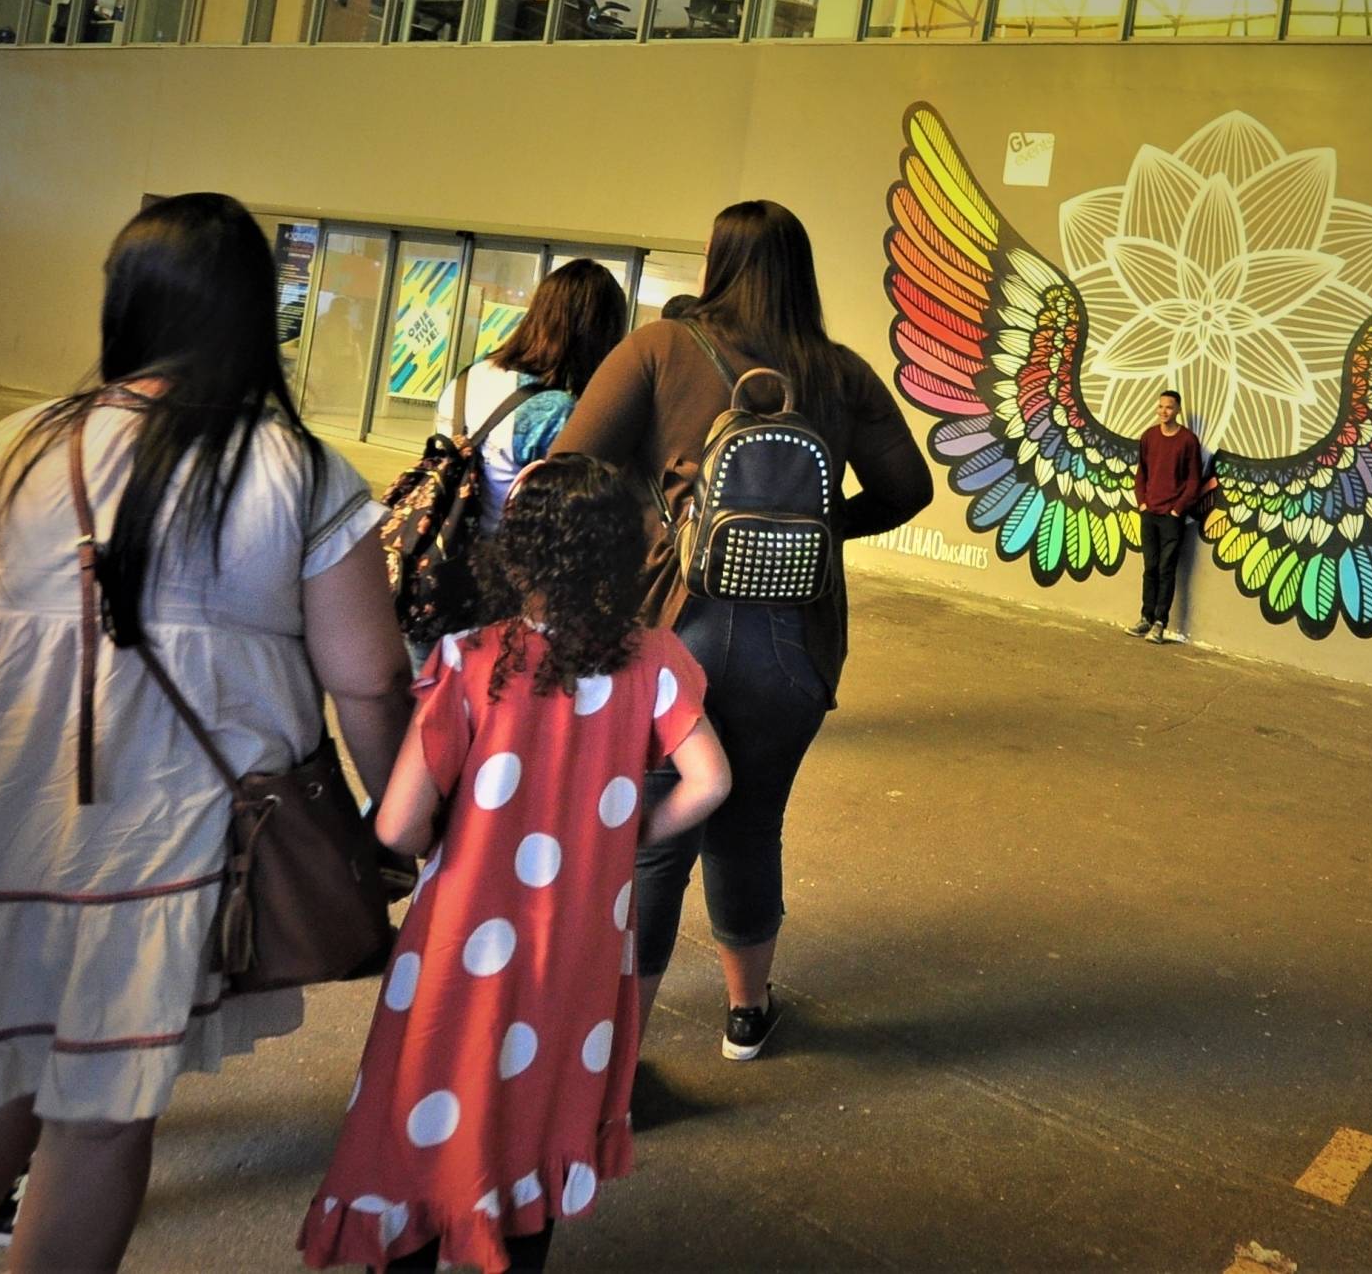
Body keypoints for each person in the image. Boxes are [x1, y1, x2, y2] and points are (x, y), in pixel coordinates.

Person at [0, 192, 415, 1273]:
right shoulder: (299, 471)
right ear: (256, 316)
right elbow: (371, 680)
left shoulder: (15, 443)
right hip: (170, 844)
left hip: (2, 814)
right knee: (102, 1110)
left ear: (127, 305)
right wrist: (402, 822)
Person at [299, 455, 731, 1274]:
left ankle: (417, 1239)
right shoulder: (656, 660)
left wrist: (444, 836)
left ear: (517, 553)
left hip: (461, 946)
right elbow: (712, 780)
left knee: (431, 1095)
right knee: (538, 1111)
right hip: (578, 950)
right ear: (624, 556)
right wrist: (628, 834)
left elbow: (396, 824)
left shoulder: (471, 660)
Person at [553, 199, 933, 1060]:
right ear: (800, 274)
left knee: (655, 841)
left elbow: (568, 470)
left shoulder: (658, 349)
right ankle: (746, 1016)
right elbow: (909, 488)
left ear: (716, 264)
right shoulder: (837, 371)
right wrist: (825, 529)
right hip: (796, 644)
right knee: (753, 823)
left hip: (671, 632)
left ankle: (618, 1053)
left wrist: (646, 527)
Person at [433, 258, 629, 537]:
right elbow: (569, 517)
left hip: (441, 552)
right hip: (499, 564)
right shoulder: (553, 410)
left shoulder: (469, 377)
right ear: (597, 335)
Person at [1129, 389, 1204, 645]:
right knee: (1150, 568)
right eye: (1160, 406)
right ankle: (1145, 618)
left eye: (1169, 407)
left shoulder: (1187, 441)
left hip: (1172, 517)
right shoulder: (1149, 436)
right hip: (1149, 513)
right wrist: (1142, 502)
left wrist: (1177, 508)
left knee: (1166, 569)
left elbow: (1194, 480)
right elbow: (1142, 473)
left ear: (1178, 410)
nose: (1163, 411)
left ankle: (1160, 623)